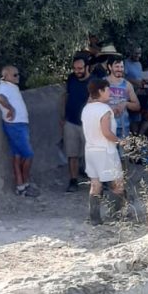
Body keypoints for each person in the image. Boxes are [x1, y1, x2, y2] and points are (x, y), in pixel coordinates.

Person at [81, 78, 127, 225]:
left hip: (90, 150)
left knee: (95, 184)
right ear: (100, 91)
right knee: (118, 183)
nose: (110, 92)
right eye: (108, 90)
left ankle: (94, 217)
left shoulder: (86, 109)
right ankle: (118, 215)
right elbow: (106, 132)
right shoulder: (105, 110)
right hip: (106, 151)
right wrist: (121, 141)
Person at [0, 65, 38, 197]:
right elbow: (1, 98)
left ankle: (20, 187)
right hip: (15, 124)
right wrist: (11, 109)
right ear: (6, 76)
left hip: (18, 124)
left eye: (18, 74)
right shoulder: (4, 87)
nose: (17, 77)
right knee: (28, 154)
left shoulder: (11, 86)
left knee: (17, 155)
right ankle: (25, 182)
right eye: (15, 75)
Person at [60, 56, 90, 192]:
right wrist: (63, 116)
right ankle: (73, 180)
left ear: (87, 68)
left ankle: (98, 180)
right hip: (71, 121)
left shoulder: (93, 82)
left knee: (91, 153)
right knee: (72, 153)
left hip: (87, 123)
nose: (77, 71)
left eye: (80, 68)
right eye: (75, 68)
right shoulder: (71, 78)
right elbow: (66, 96)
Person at [103, 54, 141, 140]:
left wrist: (125, 104)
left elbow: (137, 106)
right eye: (117, 67)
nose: (120, 69)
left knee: (123, 153)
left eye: (121, 67)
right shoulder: (102, 83)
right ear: (109, 67)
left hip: (123, 129)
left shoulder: (127, 85)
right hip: (106, 128)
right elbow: (91, 102)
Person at [123, 43, 148, 134]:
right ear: (130, 52)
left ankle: (139, 137)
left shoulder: (139, 64)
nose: (138, 55)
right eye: (136, 53)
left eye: (139, 53)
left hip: (141, 92)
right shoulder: (125, 63)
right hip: (130, 94)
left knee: (147, 116)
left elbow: (138, 78)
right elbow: (122, 78)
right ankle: (135, 141)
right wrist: (136, 82)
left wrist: (145, 81)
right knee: (134, 118)